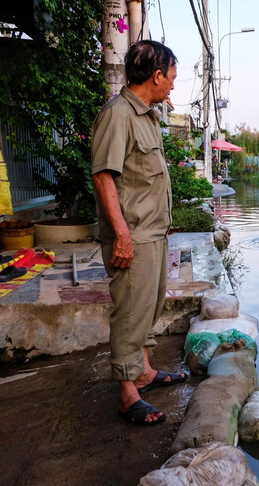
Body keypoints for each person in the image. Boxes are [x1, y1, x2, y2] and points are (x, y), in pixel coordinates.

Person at [91, 40, 187, 426]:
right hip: (134, 236)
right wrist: (122, 236)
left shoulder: (147, 116)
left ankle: (144, 371)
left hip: (154, 233)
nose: (174, 87)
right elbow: (103, 177)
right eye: (172, 78)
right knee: (130, 313)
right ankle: (128, 394)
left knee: (149, 307)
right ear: (156, 75)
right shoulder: (118, 115)